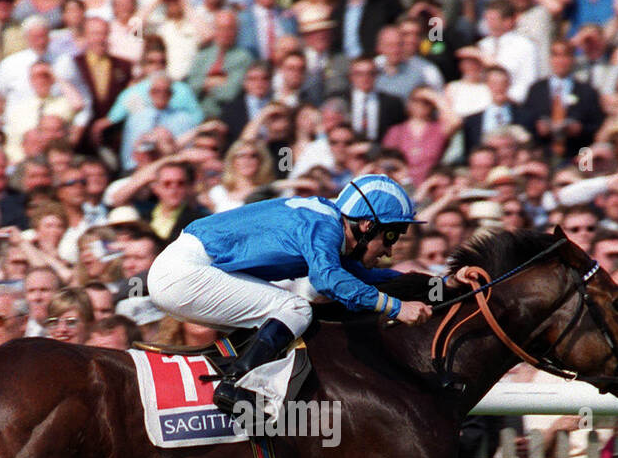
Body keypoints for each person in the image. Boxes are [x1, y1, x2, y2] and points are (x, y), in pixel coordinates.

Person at [147, 172, 432, 414]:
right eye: (392, 235)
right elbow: (329, 281)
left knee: (281, 316)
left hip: (185, 269)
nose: (390, 250)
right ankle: (236, 384)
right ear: (368, 225)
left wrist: (439, 284)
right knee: (297, 310)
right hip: (184, 273)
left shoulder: (326, 220)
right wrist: (396, 308)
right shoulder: (325, 226)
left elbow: (365, 278)